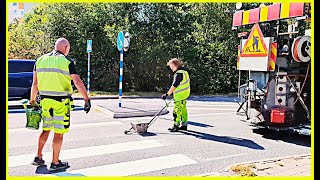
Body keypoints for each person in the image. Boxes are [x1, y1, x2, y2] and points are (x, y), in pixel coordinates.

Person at [29, 37, 91, 171]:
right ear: (66, 48)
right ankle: (55, 163)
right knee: (59, 132)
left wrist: (32, 101)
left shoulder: (40, 60)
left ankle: (38, 156)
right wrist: (86, 99)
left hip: (45, 102)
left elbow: (35, 83)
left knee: (46, 129)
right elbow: (77, 82)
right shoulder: (67, 61)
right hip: (61, 103)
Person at [162, 58, 190, 132]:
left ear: (175, 65)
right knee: (183, 109)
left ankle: (176, 126)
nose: (171, 68)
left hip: (180, 96)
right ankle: (184, 125)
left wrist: (167, 94)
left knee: (176, 111)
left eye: (171, 66)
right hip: (184, 94)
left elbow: (174, 85)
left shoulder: (178, 74)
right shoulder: (185, 72)